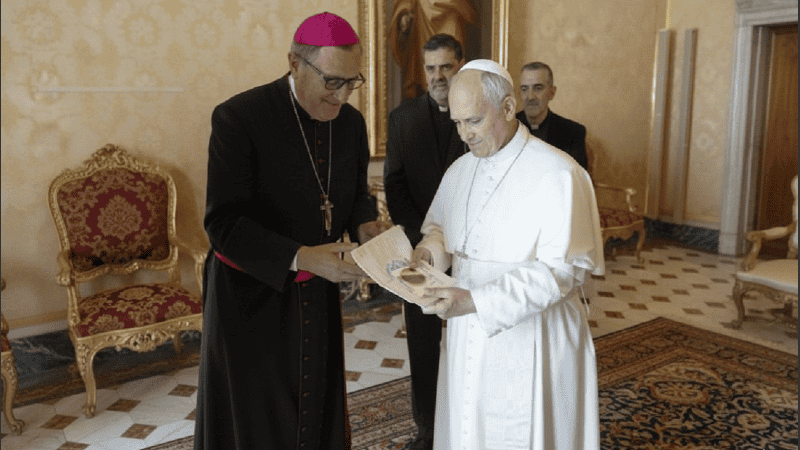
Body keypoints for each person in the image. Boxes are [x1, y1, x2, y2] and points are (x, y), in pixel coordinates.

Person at [194, 12, 387, 450]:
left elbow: (355, 194)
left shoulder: (351, 125)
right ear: (295, 63)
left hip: (316, 295)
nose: (341, 96)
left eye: (351, 83)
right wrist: (302, 257)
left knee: (314, 407)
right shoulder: (238, 118)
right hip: (250, 302)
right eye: (331, 81)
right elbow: (223, 224)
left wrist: (365, 225)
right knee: (259, 421)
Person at [412, 59, 605, 450]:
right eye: (457, 123)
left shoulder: (559, 173)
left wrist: (476, 301)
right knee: (469, 428)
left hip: (535, 339)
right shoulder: (459, 170)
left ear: (506, 107)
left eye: (474, 121)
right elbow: (440, 230)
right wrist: (428, 256)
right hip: (468, 329)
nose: (465, 134)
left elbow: (560, 273)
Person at [383, 33, 466, 450]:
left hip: (473, 249)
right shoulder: (402, 119)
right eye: (431, 68)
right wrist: (425, 237)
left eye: (446, 67)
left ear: (460, 66)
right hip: (421, 249)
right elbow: (394, 185)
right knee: (422, 342)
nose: (438, 76)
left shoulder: (480, 113)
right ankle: (428, 429)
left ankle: (469, 425)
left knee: (472, 339)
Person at [389, 0, 475, 100]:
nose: (438, 76)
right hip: (423, 14)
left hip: (451, 9)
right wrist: (405, 10)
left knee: (451, 56)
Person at [516, 61, 589, 172]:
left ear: (552, 92)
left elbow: (576, 178)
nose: (530, 97)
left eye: (538, 88)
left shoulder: (573, 133)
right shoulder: (506, 128)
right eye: (524, 89)